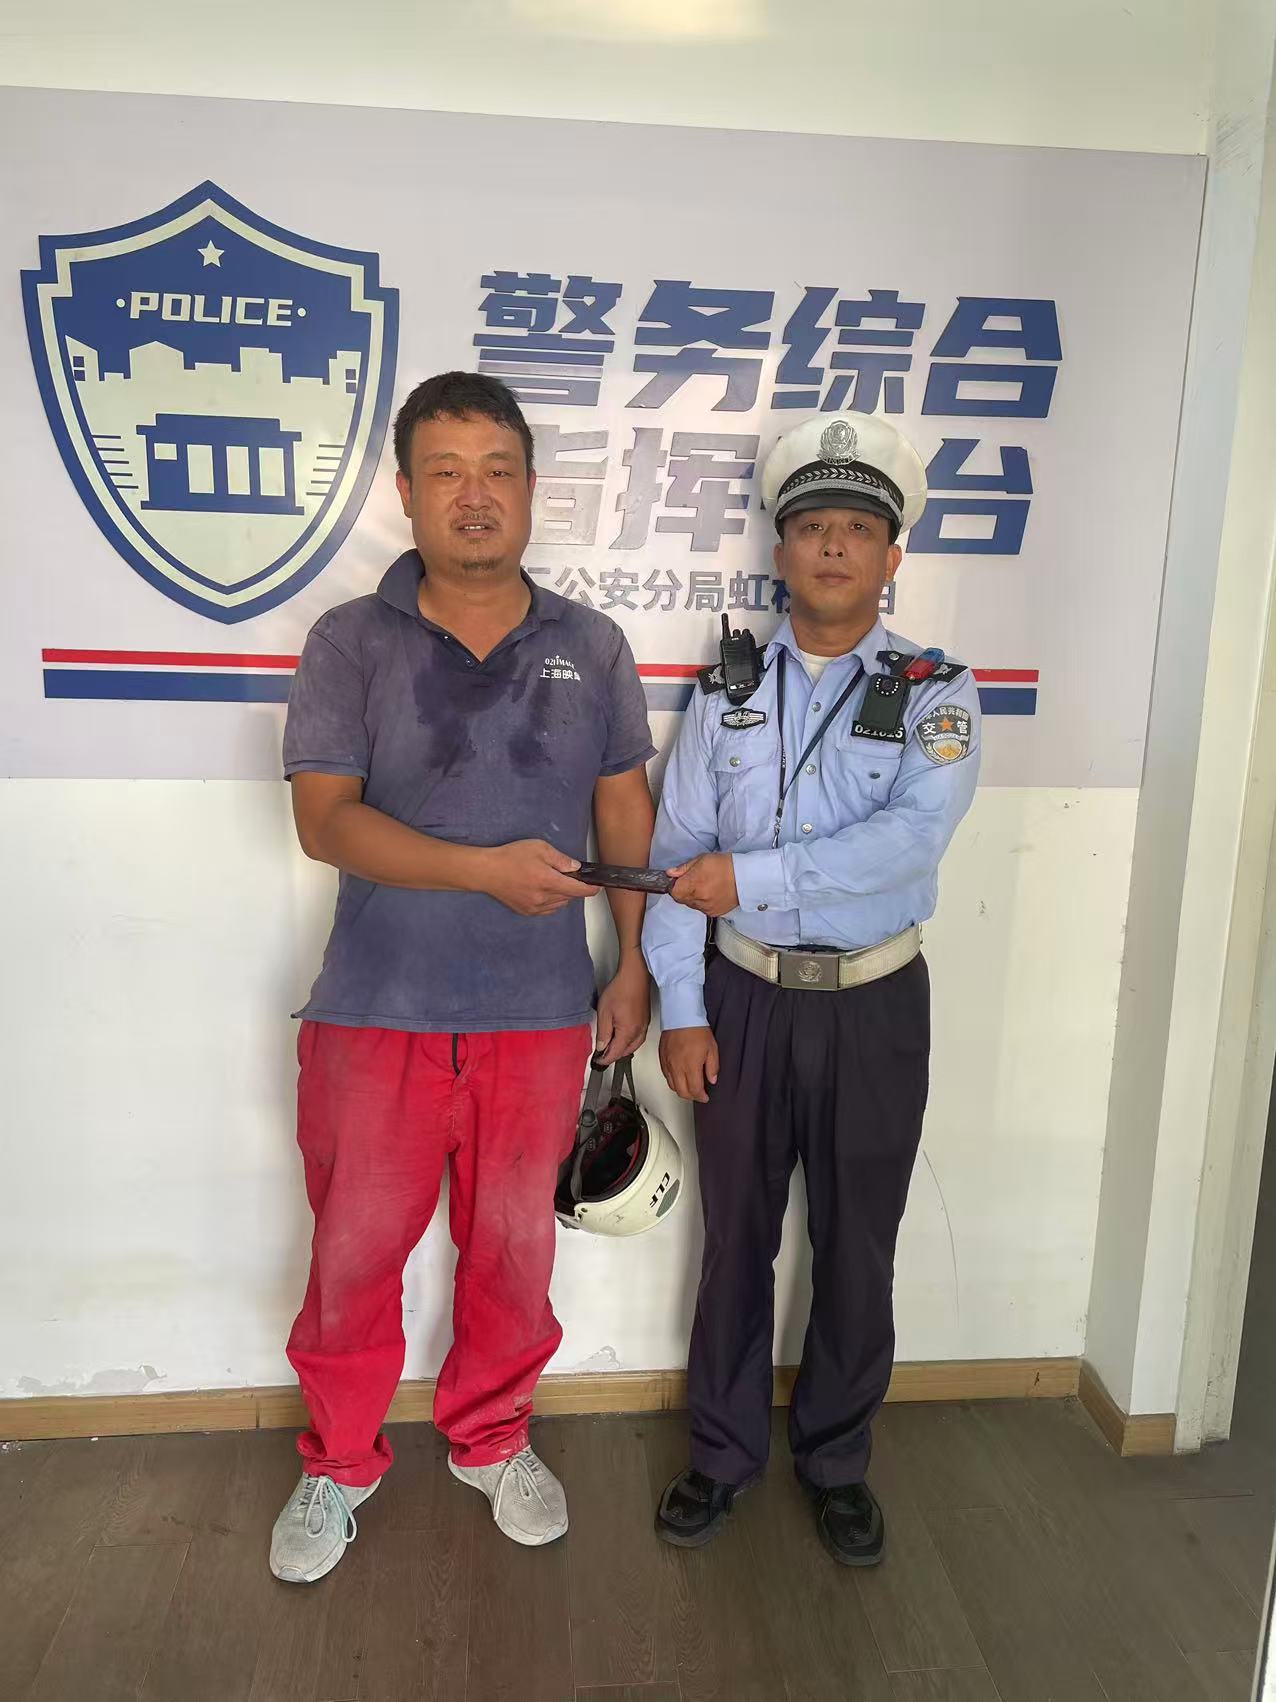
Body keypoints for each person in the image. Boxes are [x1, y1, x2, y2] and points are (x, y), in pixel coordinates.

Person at [270, 371, 656, 1583]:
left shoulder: (592, 645)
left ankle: (493, 1439)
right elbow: (325, 822)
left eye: (496, 470)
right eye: (445, 471)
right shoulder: (349, 641)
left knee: (512, 1256)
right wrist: (481, 870)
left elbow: (623, 810)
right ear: (405, 491)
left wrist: (633, 961)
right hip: (374, 1010)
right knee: (352, 1258)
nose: (472, 495)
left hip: (537, 1017)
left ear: (532, 488)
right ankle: (339, 1460)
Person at [643, 412, 980, 1566]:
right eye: (813, 526)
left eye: (857, 529)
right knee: (735, 1241)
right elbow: (676, 859)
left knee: (857, 1243)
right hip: (742, 1000)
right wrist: (683, 1009)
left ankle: (836, 1461)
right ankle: (721, 1451)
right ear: (780, 550)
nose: (833, 546)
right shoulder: (723, 692)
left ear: (891, 557)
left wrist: (753, 876)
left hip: (875, 1007)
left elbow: (908, 844)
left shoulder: (936, 691)